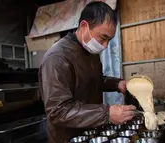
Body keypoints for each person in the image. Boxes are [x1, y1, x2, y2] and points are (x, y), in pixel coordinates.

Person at [38, 1, 136, 143]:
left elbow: (94, 80)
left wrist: (117, 84)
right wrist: (106, 113)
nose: (105, 46)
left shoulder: (90, 52)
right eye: (103, 38)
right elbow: (58, 111)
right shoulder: (57, 58)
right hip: (68, 137)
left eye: (109, 40)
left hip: (92, 131)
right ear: (84, 26)